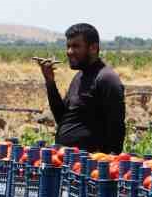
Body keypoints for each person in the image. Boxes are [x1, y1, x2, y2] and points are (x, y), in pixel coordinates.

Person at [39, 22, 126, 154]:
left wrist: (109, 162)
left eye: (75, 46)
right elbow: (63, 119)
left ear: (93, 48)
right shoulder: (79, 76)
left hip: (90, 165)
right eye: (68, 46)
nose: (69, 52)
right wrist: (50, 82)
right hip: (68, 159)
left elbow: (116, 128)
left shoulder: (106, 79)